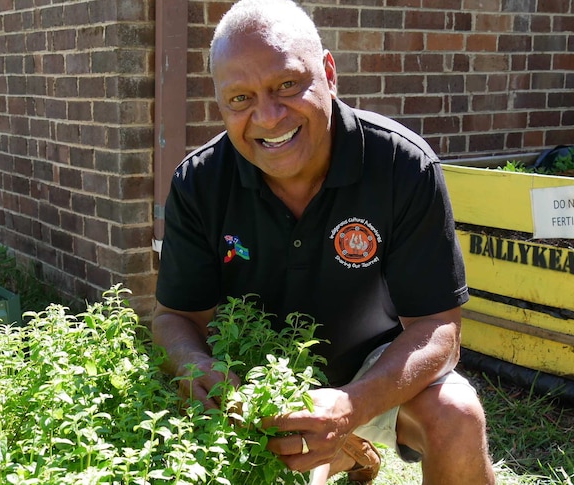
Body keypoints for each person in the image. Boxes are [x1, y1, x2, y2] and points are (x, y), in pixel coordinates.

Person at [152, 0, 496, 483]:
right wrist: (198, 368)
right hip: (254, 377)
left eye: (287, 85)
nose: (268, 117)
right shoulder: (200, 182)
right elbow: (175, 317)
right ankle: (348, 454)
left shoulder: (402, 165)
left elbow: (439, 326)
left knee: (456, 414)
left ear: (329, 72)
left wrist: (352, 404)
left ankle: (347, 441)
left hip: (375, 368)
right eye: (240, 99)